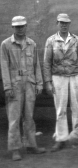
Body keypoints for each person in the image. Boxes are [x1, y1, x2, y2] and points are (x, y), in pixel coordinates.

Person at [1, 16, 46, 160]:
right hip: (14, 84)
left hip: (29, 83)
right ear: (12, 27)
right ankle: (15, 149)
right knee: (14, 118)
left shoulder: (31, 43)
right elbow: (4, 67)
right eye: (17, 26)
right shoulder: (6, 44)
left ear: (26, 26)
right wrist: (7, 87)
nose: (20, 29)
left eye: (22, 26)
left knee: (29, 117)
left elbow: (36, 65)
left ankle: (31, 145)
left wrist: (39, 83)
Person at [43, 13, 78, 152]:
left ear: (69, 24)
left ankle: (77, 137)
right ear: (57, 24)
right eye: (61, 23)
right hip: (58, 77)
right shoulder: (51, 40)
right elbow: (46, 63)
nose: (64, 25)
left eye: (66, 23)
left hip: (75, 76)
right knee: (60, 109)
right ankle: (61, 138)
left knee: (77, 107)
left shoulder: (76, 40)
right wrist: (48, 82)